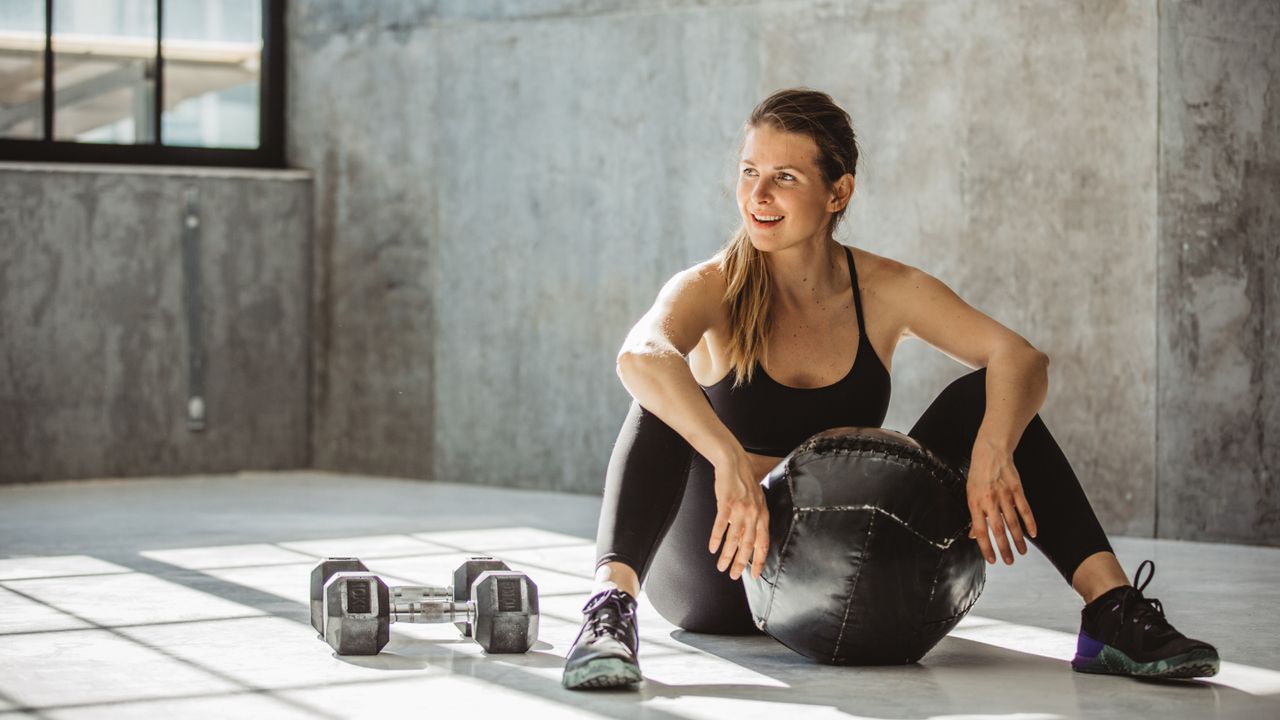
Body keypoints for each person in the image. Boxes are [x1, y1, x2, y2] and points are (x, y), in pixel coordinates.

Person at [560, 88, 1219, 690]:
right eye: (749, 172)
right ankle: (609, 609)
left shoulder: (884, 289)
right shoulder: (714, 285)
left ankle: (1109, 611)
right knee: (663, 398)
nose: (758, 196)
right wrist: (727, 455)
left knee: (988, 396)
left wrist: (992, 447)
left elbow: (1020, 357)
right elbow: (639, 354)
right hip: (724, 572)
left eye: (784, 178)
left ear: (837, 192)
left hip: (846, 574)